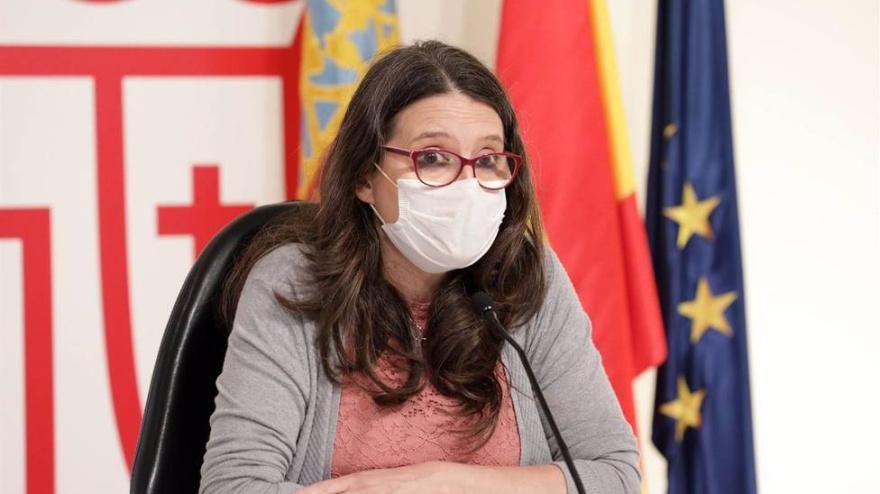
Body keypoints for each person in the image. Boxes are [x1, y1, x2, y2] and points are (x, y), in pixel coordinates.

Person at [199, 40, 640, 494]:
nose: (467, 184)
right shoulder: (294, 282)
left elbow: (615, 475)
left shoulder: (525, 275)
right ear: (364, 176)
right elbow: (234, 487)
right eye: (432, 158)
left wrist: (447, 484)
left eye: (488, 159)